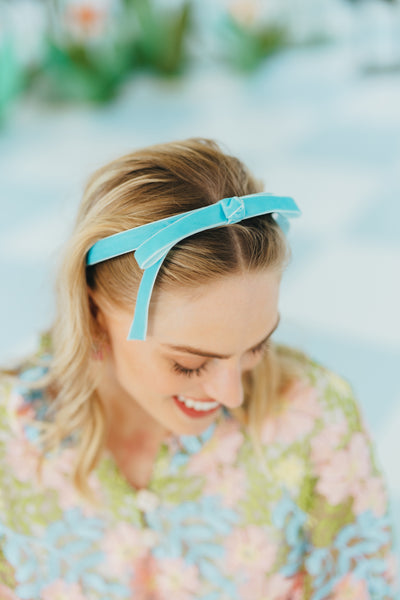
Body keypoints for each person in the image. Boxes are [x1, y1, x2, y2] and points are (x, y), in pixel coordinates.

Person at [0, 138, 397, 599]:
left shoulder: (317, 417)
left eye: (256, 346)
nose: (232, 395)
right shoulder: (10, 439)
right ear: (92, 314)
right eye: (189, 364)